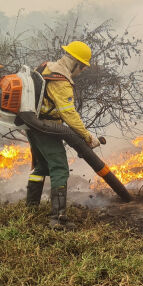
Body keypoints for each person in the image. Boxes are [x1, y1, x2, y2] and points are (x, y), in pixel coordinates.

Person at [25, 41, 100, 229]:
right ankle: (57, 219)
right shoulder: (61, 80)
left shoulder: (45, 67)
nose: (82, 70)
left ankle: (30, 210)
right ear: (75, 63)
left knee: (42, 167)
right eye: (82, 66)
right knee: (60, 169)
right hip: (46, 128)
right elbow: (68, 114)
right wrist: (87, 137)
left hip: (32, 124)